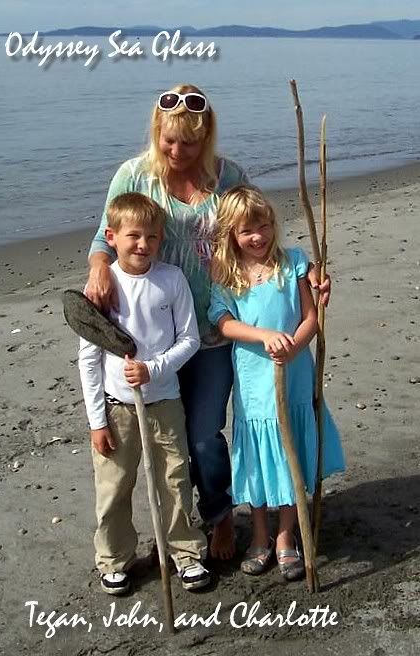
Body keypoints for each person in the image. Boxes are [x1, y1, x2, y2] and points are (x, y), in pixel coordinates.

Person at [85, 83, 331, 560]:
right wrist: (98, 268)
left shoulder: (229, 175)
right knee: (166, 442)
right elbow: (105, 235)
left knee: (203, 436)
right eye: (169, 140)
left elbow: (256, 229)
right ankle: (177, 528)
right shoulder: (134, 175)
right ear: (157, 132)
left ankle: (217, 515)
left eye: (190, 142)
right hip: (153, 337)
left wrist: (307, 270)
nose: (178, 151)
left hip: (217, 332)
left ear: (207, 136)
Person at [208, 185, 345, 580]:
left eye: (264, 225)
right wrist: (264, 336)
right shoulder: (227, 275)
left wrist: (296, 345)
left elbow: (310, 316)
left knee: (289, 454)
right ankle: (260, 534)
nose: (259, 236)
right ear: (232, 234)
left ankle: (287, 535)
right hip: (255, 381)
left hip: (295, 376)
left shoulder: (294, 263)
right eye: (248, 230)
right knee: (259, 456)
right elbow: (224, 322)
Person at [78, 192, 210, 594]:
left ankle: (184, 553)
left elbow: (189, 340)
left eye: (151, 237)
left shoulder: (171, 279)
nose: (142, 245)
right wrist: (97, 421)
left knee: (174, 480)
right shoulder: (103, 287)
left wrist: (153, 369)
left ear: (161, 239)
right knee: (115, 486)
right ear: (111, 236)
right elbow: (88, 359)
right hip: (118, 408)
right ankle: (114, 558)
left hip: (164, 401)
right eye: (133, 236)